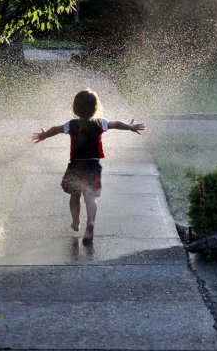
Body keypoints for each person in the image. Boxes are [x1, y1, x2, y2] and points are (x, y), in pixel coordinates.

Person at [32, 89, 145, 244]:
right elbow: (117, 123)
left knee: (74, 195)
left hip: (76, 165)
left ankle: (76, 221)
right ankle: (90, 223)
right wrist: (130, 127)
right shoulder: (100, 123)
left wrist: (44, 135)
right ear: (95, 107)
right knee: (90, 197)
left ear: (75, 108)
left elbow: (55, 129)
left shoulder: (71, 125)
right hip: (93, 165)